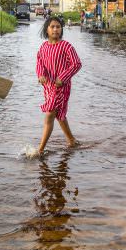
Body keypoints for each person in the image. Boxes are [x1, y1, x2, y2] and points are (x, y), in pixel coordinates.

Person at [36, 16, 82, 155]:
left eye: (58, 27)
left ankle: (40, 150)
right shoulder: (43, 47)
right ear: (47, 29)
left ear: (61, 29)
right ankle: (71, 140)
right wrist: (41, 75)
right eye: (52, 27)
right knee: (59, 115)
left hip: (62, 87)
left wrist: (62, 77)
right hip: (48, 87)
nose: (55, 29)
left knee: (50, 114)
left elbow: (77, 64)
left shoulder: (66, 46)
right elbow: (40, 63)